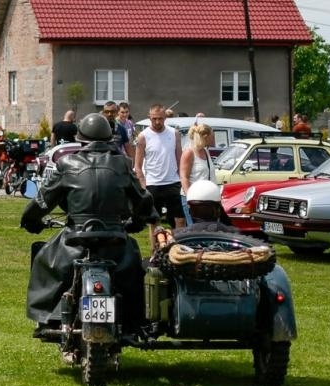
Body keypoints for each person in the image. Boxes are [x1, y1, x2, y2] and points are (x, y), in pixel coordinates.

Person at [20, 112, 155, 329]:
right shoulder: (123, 163)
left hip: (75, 238)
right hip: (114, 239)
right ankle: (134, 321)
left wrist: (30, 219)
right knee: (136, 273)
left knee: (44, 262)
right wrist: (141, 219)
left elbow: (44, 199)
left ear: (80, 138)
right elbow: (141, 198)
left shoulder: (66, 164)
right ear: (110, 137)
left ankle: (46, 318)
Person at [132, 103, 185, 238]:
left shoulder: (174, 134)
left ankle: (178, 248)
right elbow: (138, 165)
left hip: (173, 182)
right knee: (154, 222)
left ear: (165, 117)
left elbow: (180, 159)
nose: (157, 121)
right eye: (154, 118)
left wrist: (183, 180)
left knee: (179, 219)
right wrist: (143, 186)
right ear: (149, 117)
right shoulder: (143, 136)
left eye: (160, 118)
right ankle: (155, 252)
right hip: (153, 184)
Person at [176, 121, 215, 225]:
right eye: (212, 136)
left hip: (207, 198)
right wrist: (190, 198)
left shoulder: (206, 151)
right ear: (205, 137)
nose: (213, 139)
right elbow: (184, 177)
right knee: (196, 229)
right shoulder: (189, 152)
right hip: (193, 199)